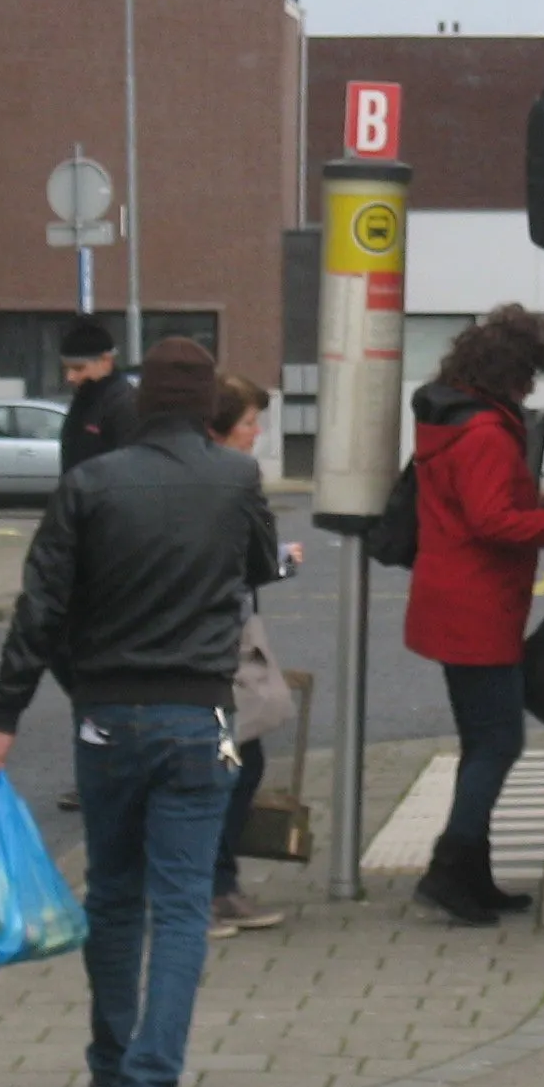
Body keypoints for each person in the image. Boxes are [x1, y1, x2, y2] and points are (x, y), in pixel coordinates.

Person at [0, 336, 281, 1087]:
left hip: (106, 715)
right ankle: (152, 1082)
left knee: (114, 894)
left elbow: (39, 607)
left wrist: (3, 716)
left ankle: (109, 1063)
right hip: (199, 714)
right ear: (207, 405)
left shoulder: (90, 483)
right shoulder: (237, 477)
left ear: (144, 405)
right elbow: (258, 565)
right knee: (182, 904)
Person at [403, 305, 544, 926]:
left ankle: (474, 874)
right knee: (498, 741)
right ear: (514, 372)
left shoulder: (451, 419)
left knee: (481, 743)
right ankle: (448, 869)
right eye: (531, 374)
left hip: (453, 601)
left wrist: (526, 496)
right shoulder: (486, 433)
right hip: (477, 609)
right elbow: (493, 522)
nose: (533, 386)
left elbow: (473, 503)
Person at [208, 371, 304, 939]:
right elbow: (245, 559)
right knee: (227, 764)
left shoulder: (219, 477)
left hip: (221, 641)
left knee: (237, 761)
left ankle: (219, 885)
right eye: (248, 422)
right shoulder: (230, 481)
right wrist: (281, 560)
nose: (257, 431)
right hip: (217, 650)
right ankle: (208, 890)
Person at [58, 318, 137, 472]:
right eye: (66, 369)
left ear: (106, 360)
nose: (70, 377)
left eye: (79, 368)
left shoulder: (124, 405)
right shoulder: (86, 399)